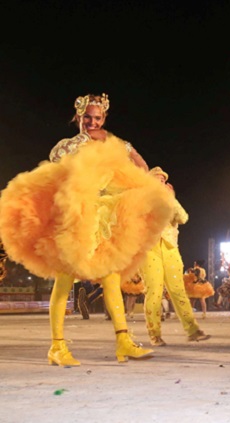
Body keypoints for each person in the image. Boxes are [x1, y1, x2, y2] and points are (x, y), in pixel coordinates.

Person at [0, 93, 173, 365]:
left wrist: (153, 176)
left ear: (104, 118)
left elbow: (139, 162)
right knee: (65, 277)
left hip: (104, 217)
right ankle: (57, 347)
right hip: (75, 218)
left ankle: (123, 341)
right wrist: (82, 142)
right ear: (78, 118)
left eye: (97, 118)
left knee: (112, 277)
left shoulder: (115, 144)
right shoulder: (70, 144)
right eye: (87, 118)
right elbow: (56, 159)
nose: (92, 122)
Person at [140, 166, 210, 346]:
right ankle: (154, 334)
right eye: (158, 179)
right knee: (154, 292)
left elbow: (183, 218)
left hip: (170, 249)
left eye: (163, 180)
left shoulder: (170, 201)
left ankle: (192, 330)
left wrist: (171, 199)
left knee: (178, 291)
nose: (161, 182)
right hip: (149, 249)